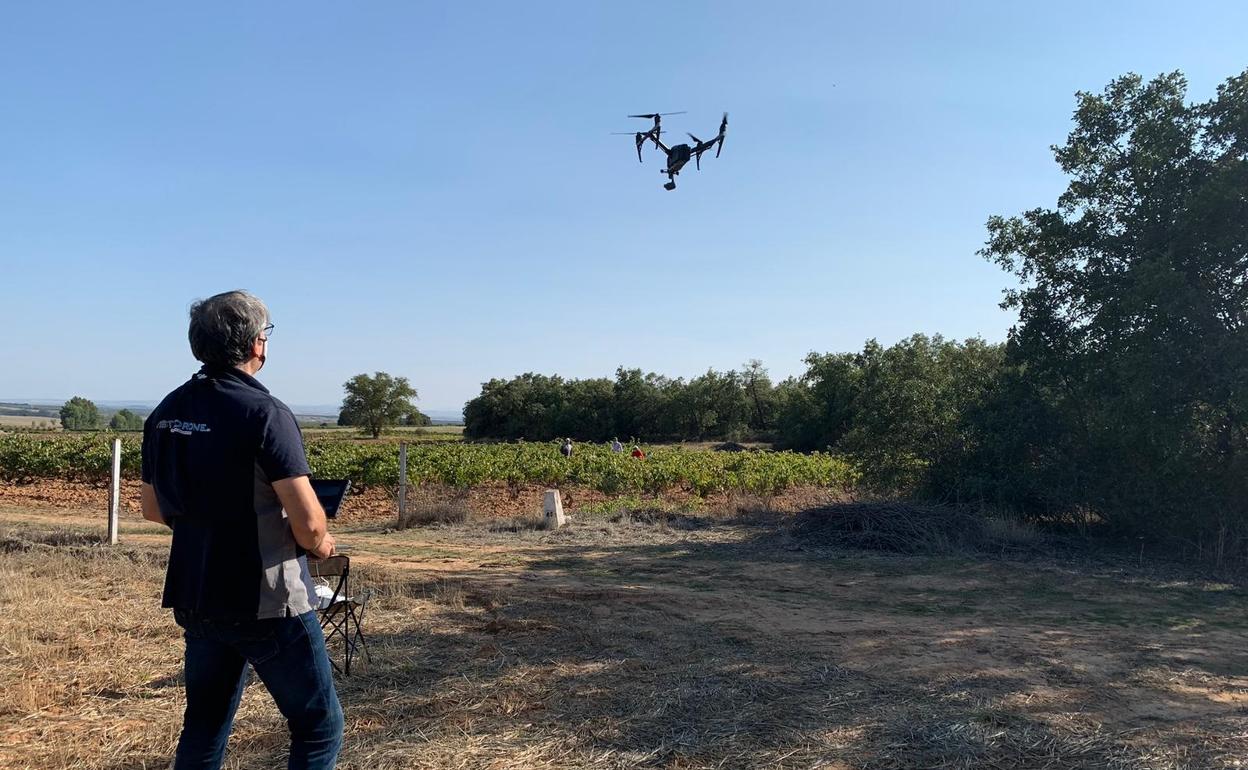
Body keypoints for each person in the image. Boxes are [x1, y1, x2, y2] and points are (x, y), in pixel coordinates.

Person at [141, 290, 343, 770]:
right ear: (257, 344)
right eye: (266, 333)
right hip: (267, 603)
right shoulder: (265, 413)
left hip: (197, 595)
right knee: (318, 727)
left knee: (205, 727)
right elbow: (310, 524)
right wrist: (321, 543)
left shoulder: (166, 413)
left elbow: (152, 508)